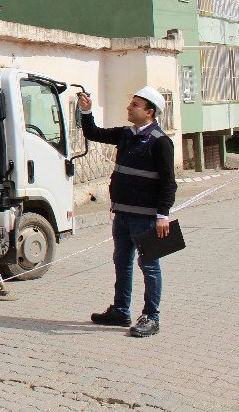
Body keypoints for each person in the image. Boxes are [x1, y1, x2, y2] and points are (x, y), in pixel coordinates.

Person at [78, 86, 176, 338]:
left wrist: (162, 215)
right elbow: (93, 133)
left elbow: (168, 182)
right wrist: (86, 112)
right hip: (121, 215)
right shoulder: (125, 134)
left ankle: (151, 317)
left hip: (146, 218)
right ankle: (121, 311)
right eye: (130, 104)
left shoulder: (161, 141)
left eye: (135, 105)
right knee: (122, 263)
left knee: (150, 266)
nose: (129, 108)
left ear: (149, 112)